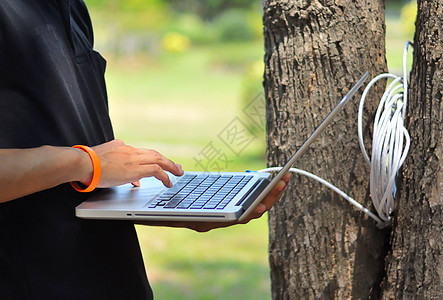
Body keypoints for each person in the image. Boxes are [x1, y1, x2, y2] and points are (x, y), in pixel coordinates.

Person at [0, 0, 290, 299]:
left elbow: (81, 186)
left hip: (117, 280)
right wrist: (86, 162)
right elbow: (89, 165)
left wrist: (181, 209)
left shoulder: (71, 9)